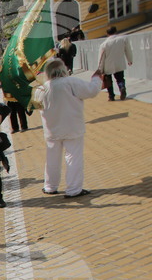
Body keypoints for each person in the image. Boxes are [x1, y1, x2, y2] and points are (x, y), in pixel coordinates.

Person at [32, 58, 102, 198]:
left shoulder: (41, 88)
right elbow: (92, 90)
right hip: (72, 127)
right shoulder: (71, 82)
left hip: (51, 129)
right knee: (73, 158)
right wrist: (96, 78)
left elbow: (36, 105)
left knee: (52, 159)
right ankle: (74, 189)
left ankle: (50, 186)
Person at [97, 26, 133, 101]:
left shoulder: (104, 44)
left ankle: (111, 96)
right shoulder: (123, 39)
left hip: (108, 65)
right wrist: (130, 60)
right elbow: (128, 50)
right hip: (119, 63)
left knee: (108, 81)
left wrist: (100, 69)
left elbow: (101, 58)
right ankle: (122, 87)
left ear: (107, 33)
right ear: (116, 31)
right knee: (120, 78)